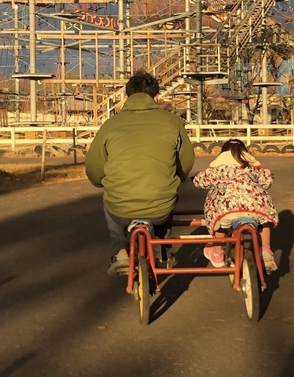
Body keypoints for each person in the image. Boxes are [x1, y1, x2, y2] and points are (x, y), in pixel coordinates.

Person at [85, 69, 195, 275]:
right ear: (155, 97)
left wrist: (102, 182)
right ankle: (162, 251)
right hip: (160, 207)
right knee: (166, 199)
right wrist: (173, 179)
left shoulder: (110, 125)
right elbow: (187, 161)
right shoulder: (172, 122)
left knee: (110, 200)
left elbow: (93, 168)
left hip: (120, 208)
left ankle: (120, 251)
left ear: (128, 97)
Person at [192, 138, 279, 273]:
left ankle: (217, 253)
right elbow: (266, 183)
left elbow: (201, 182)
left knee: (219, 220)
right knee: (264, 219)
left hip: (227, 209)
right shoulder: (252, 166)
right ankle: (266, 250)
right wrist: (266, 173)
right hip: (255, 208)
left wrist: (196, 176)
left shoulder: (219, 167)